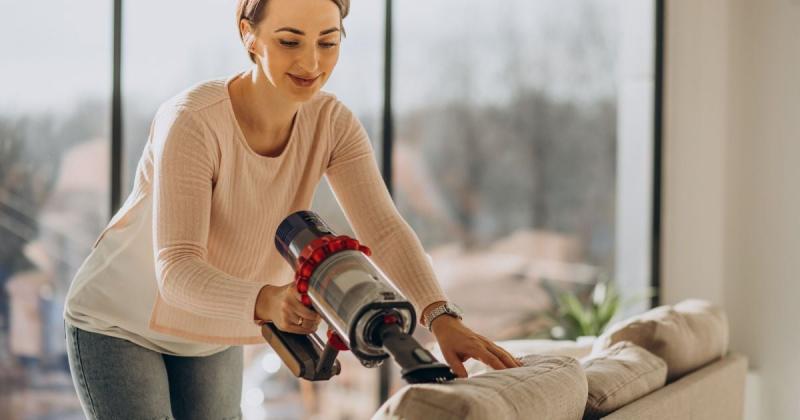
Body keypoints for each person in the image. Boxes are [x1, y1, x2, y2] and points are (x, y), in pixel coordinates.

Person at [62, 0, 521, 418]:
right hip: (120, 321)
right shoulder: (193, 121)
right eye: (289, 41)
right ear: (248, 34)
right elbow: (177, 268)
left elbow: (383, 229)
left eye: (328, 41)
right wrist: (266, 299)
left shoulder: (332, 123)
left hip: (215, 326)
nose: (311, 63)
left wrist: (440, 316)